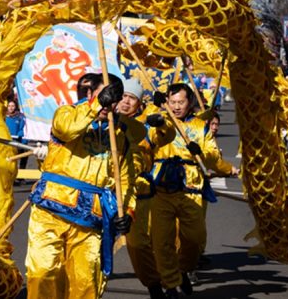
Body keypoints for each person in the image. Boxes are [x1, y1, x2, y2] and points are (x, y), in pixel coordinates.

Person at [25, 74, 145, 299]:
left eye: (112, 99)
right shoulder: (67, 113)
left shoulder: (119, 134)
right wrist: (95, 106)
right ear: (90, 94)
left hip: (91, 218)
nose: (107, 103)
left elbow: (126, 180)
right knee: (43, 274)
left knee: (85, 282)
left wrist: (127, 211)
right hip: (51, 211)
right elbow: (66, 130)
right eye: (103, 96)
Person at [149, 83, 238, 298]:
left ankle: (183, 269)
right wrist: (155, 117)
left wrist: (207, 157)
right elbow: (148, 140)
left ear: (190, 103)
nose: (177, 107)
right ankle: (170, 283)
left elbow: (213, 157)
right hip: (161, 186)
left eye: (181, 102)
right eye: (173, 102)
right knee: (162, 239)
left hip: (191, 187)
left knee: (194, 239)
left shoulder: (201, 126)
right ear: (167, 102)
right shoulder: (160, 121)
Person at [117, 78, 176, 299]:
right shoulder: (106, 119)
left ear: (139, 103)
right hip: (104, 192)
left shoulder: (147, 125)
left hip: (137, 192)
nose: (125, 102)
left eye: (131, 98)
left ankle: (158, 284)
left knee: (140, 244)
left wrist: (161, 122)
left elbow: (167, 135)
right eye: (123, 96)